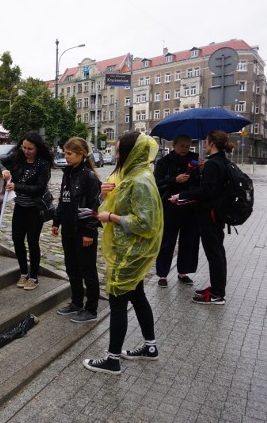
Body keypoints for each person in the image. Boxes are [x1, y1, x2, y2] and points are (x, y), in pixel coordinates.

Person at [83, 132, 163, 375]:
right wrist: (106, 195)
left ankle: (112, 359)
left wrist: (111, 217)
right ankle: (150, 347)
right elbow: (116, 204)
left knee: (118, 302)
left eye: (119, 151)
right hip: (127, 250)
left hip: (131, 253)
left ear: (131, 153)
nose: (116, 156)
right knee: (137, 295)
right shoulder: (131, 176)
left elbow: (146, 223)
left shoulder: (139, 181)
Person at [169, 130, 234, 305]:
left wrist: (181, 195)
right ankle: (217, 289)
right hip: (217, 213)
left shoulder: (214, 164)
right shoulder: (222, 161)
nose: (204, 146)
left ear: (212, 143)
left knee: (214, 254)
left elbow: (206, 191)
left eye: (206, 142)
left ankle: (217, 295)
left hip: (209, 214)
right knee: (218, 252)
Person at [0, 132, 53, 291]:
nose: (26, 151)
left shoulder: (43, 163)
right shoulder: (17, 156)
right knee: (17, 240)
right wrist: (3, 170)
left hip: (35, 208)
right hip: (20, 206)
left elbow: (39, 188)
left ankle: (34, 276)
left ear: (37, 148)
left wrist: (17, 186)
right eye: (24, 147)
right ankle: (23, 272)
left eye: (30, 149)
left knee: (33, 242)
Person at [52, 137, 101, 323]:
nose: (66, 157)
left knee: (87, 270)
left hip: (83, 231)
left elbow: (95, 206)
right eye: (65, 153)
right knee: (71, 267)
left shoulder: (89, 176)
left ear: (81, 154)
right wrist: (56, 221)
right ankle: (76, 302)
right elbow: (63, 200)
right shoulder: (68, 173)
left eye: (69, 154)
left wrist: (89, 231)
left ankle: (91, 309)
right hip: (69, 229)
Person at [154, 135, 201, 288]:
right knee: (167, 242)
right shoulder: (164, 162)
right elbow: (156, 182)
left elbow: (201, 183)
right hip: (170, 208)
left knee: (188, 241)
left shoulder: (195, 161)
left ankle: (183, 272)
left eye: (187, 146)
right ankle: (162, 274)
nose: (185, 149)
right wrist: (174, 180)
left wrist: (202, 170)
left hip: (190, 208)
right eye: (181, 146)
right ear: (174, 145)